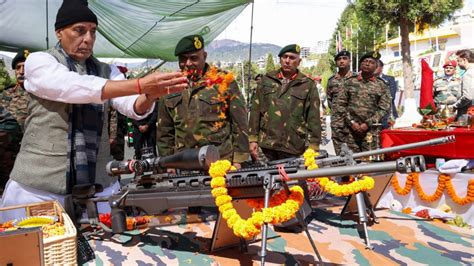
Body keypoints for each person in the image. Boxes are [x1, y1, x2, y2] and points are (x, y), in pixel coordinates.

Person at [0, 0, 187, 218]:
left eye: (93, 31)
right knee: (34, 250)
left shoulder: (107, 70)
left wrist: (150, 95)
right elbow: (72, 86)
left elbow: (132, 106)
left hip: (98, 187)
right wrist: (139, 84)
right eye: (79, 30)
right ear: (59, 32)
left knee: (107, 248)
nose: (88, 39)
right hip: (38, 190)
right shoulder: (39, 62)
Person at [157, 34, 249, 169]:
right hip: (184, 163)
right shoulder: (171, 85)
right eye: (183, 59)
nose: (188, 63)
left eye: (193, 58)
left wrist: (238, 160)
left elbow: (240, 123)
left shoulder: (224, 81)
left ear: (204, 56)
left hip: (220, 161)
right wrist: (168, 163)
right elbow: (164, 130)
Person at [249, 43, 321, 161]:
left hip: (293, 145)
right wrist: (252, 139)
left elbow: (313, 117)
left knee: (292, 178)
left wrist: (314, 145)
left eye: (292, 58)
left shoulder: (307, 84)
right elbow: (255, 110)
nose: (287, 61)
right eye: (284, 57)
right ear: (280, 59)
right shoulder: (266, 80)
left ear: (299, 61)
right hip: (266, 145)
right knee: (264, 177)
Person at [332, 51, 391, 153]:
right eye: (364, 61)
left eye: (371, 62)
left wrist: (367, 124)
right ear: (360, 64)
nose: (367, 64)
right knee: (350, 163)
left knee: (369, 163)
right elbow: (340, 104)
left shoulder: (382, 85)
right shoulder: (349, 82)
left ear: (376, 66)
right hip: (350, 131)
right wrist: (351, 122)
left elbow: (384, 108)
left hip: (370, 131)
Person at [327, 50, 355, 154]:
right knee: (340, 155)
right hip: (337, 122)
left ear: (350, 61)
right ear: (336, 62)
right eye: (339, 59)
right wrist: (337, 112)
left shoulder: (356, 79)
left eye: (344, 58)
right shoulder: (332, 80)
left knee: (355, 154)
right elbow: (330, 99)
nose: (342, 61)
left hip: (354, 123)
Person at [1, 49, 30, 132]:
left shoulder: (40, 95)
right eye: (18, 68)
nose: (21, 72)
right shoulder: (6, 94)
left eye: (25, 67)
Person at [375, 60, 399, 129]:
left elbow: (391, 96)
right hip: (373, 116)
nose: (374, 68)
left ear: (381, 68)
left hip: (387, 115)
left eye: (377, 66)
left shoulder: (389, 79)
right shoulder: (369, 80)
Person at [454, 49, 474, 118]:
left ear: (464, 60)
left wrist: (455, 106)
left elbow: (468, 96)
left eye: (458, 60)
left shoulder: (469, 73)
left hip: (467, 113)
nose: (457, 64)